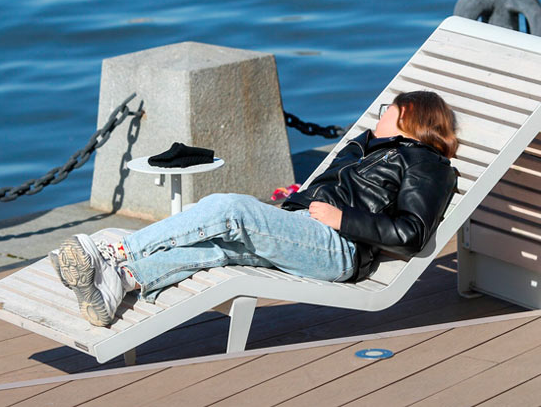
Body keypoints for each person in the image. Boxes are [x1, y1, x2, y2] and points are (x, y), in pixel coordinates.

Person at [50, 90, 458, 327]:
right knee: (218, 245)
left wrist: (342, 219)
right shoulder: (366, 145)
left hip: (340, 245)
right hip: (306, 228)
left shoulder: (426, 163)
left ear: (408, 116)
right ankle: (119, 282)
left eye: (389, 109)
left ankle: (115, 252)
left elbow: (411, 233)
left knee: (230, 208)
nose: (381, 113)